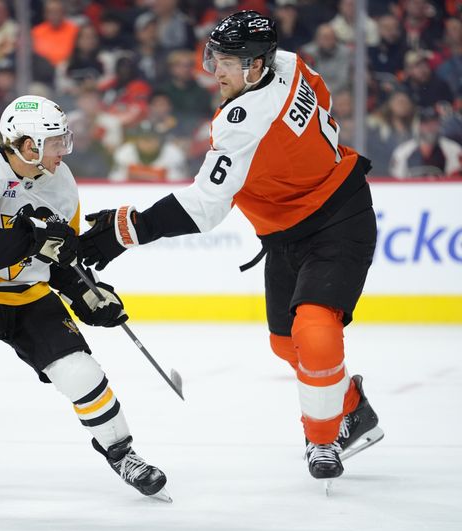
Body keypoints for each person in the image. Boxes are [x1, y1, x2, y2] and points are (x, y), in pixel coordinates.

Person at [80, 11, 384, 483]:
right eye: (215, 58)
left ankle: (323, 439)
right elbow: (317, 104)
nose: (215, 71)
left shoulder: (243, 121)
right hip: (285, 231)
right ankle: (352, 408)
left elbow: (205, 207)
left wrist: (128, 229)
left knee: (315, 330)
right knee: (286, 344)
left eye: (226, 62)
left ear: (256, 65)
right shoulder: (290, 62)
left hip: (339, 220)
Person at [0, 95, 169, 502]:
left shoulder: (62, 182)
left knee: (81, 372)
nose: (65, 149)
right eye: (56, 142)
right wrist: (33, 236)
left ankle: (121, 453)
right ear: (28, 145)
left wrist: (87, 293)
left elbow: (62, 257)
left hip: (26, 293)